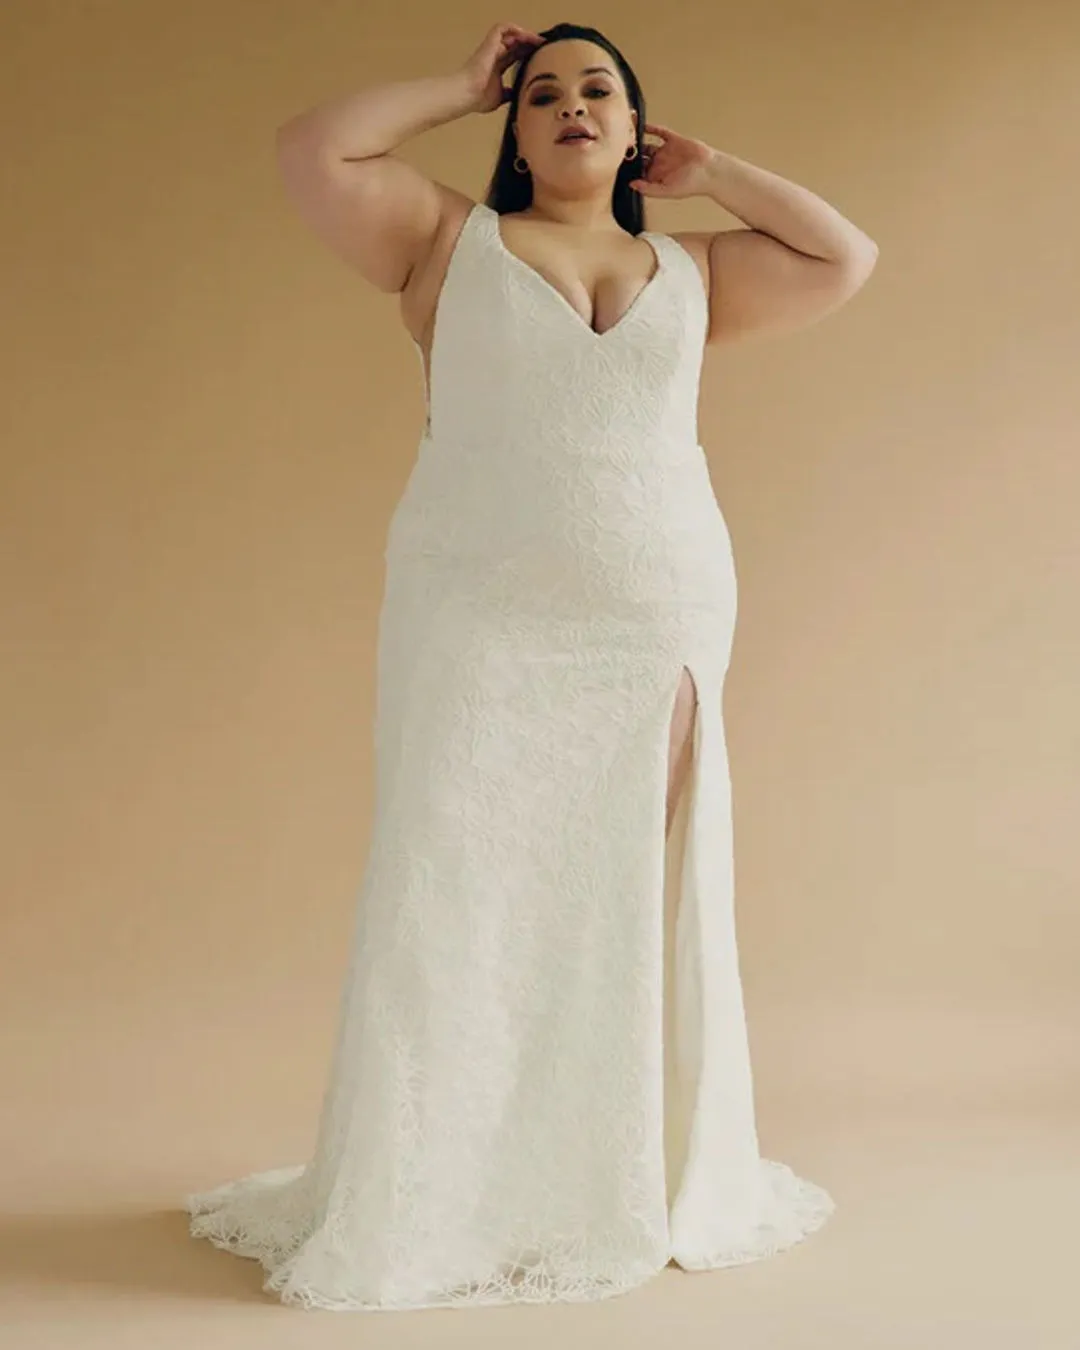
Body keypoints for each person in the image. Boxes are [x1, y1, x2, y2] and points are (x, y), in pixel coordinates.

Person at [185, 20, 878, 1313]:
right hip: (477, 615)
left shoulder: (696, 268)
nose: (571, 106)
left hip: (657, 614)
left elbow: (847, 256)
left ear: (635, 127)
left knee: (620, 891)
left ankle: (603, 1177)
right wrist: (458, 86)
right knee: (455, 887)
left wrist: (716, 171)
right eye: (541, 93)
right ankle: (440, 1187)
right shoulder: (447, 243)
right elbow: (312, 149)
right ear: (510, 130)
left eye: (597, 90)